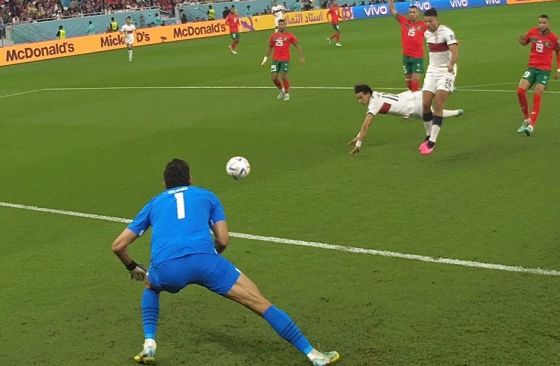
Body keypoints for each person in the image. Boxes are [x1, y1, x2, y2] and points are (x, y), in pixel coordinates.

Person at [111, 159, 341, 366]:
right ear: (191, 180)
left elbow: (118, 246)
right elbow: (223, 239)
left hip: (167, 267)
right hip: (207, 262)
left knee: (151, 285)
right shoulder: (207, 196)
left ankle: (149, 344)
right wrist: (209, 259)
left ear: (164, 184)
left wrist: (133, 267)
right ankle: (314, 355)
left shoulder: (154, 203)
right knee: (259, 302)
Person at [348, 84, 463, 155]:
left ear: (368, 94)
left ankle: (454, 104)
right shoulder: (375, 95)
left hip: (412, 107)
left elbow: (366, 125)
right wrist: (359, 135)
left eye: (361, 97)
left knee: (433, 115)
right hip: (409, 96)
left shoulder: (373, 105)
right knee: (432, 102)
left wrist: (358, 144)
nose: (359, 101)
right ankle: (451, 93)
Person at [420, 8, 458, 156]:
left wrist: (451, 64)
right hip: (432, 70)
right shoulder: (426, 33)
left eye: (431, 21)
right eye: (426, 21)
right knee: (425, 104)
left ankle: (432, 141)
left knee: (438, 104)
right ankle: (428, 134)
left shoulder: (447, 32)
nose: (428, 24)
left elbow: (455, 52)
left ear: (437, 20)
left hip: (446, 71)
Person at [516, 14, 560, 136]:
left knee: (538, 92)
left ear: (548, 24)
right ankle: (526, 120)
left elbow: (558, 52)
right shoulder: (532, 32)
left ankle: (531, 125)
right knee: (520, 91)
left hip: (544, 70)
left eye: (544, 23)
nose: (541, 25)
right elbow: (524, 42)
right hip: (531, 67)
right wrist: (521, 40)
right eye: (540, 22)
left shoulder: (554, 38)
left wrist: (559, 69)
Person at [261, 19, 305, 101]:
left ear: (285, 25)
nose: (281, 26)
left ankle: (287, 93)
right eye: (279, 24)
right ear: (278, 26)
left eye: (282, 24)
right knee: (274, 78)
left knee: (283, 76)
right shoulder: (273, 36)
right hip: (275, 59)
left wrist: (301, 57)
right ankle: (282, 90)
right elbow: (270, 47)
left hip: (285, 59)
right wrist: (265, 59)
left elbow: (297, 46)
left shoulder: (290, 36)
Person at [389, 0, 426, 91]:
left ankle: (416, 101)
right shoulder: (403, 21)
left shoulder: (423, 25)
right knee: (408, 83)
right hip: (406, 57)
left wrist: (449, 39)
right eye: (410, 12)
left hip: (417, 57)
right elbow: (393, 10)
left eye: (414, 12)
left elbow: (435, 29)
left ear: (418, 13)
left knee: (415, 80)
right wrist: (391, 2)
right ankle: (414, 97)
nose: (412, 14)